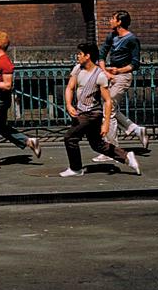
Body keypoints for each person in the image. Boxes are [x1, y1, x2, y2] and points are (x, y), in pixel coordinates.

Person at [62, 43, 140, 177]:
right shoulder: (77, 69)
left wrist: (106, 123)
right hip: (82, 111)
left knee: (70, 137)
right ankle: (127, 156)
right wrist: (69, 105)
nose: (77, 56)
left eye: (80, 54)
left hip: (92, 113)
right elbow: (70, 88)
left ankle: (76, 169)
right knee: (97, 145)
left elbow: (108, 100)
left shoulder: (100, 75)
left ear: (88, 56)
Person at [0, 30, 41, 171]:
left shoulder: (5, 62)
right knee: (0, 127)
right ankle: (29, 142)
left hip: (0, 100)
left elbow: (7, 85)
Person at [94, 11, 148, 162]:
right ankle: (135, 129)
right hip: (109, 74)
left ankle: (110, 149)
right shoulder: (112, 36)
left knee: (108, 109)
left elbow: (135, 64)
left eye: (112, 19)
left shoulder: (132, 39)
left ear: (119, 22)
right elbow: (102, 55)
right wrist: (106, 72)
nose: (110, 21)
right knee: (109, 106)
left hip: (123, 76)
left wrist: (118, 71)